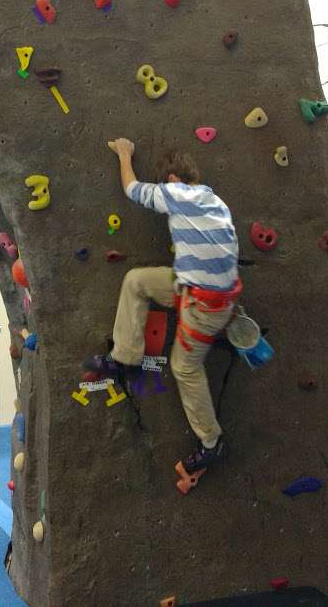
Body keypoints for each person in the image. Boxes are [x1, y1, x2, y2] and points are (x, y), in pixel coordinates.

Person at [84, 138, 242, 473]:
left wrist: (125, 155)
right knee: (137, 281)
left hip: (205, 305)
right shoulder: (216, 202)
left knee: (184, 367)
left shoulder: (178, 194)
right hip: (199, 289)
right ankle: (126, 356)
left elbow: (132, 189)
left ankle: (212, 442)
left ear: (171, 180)